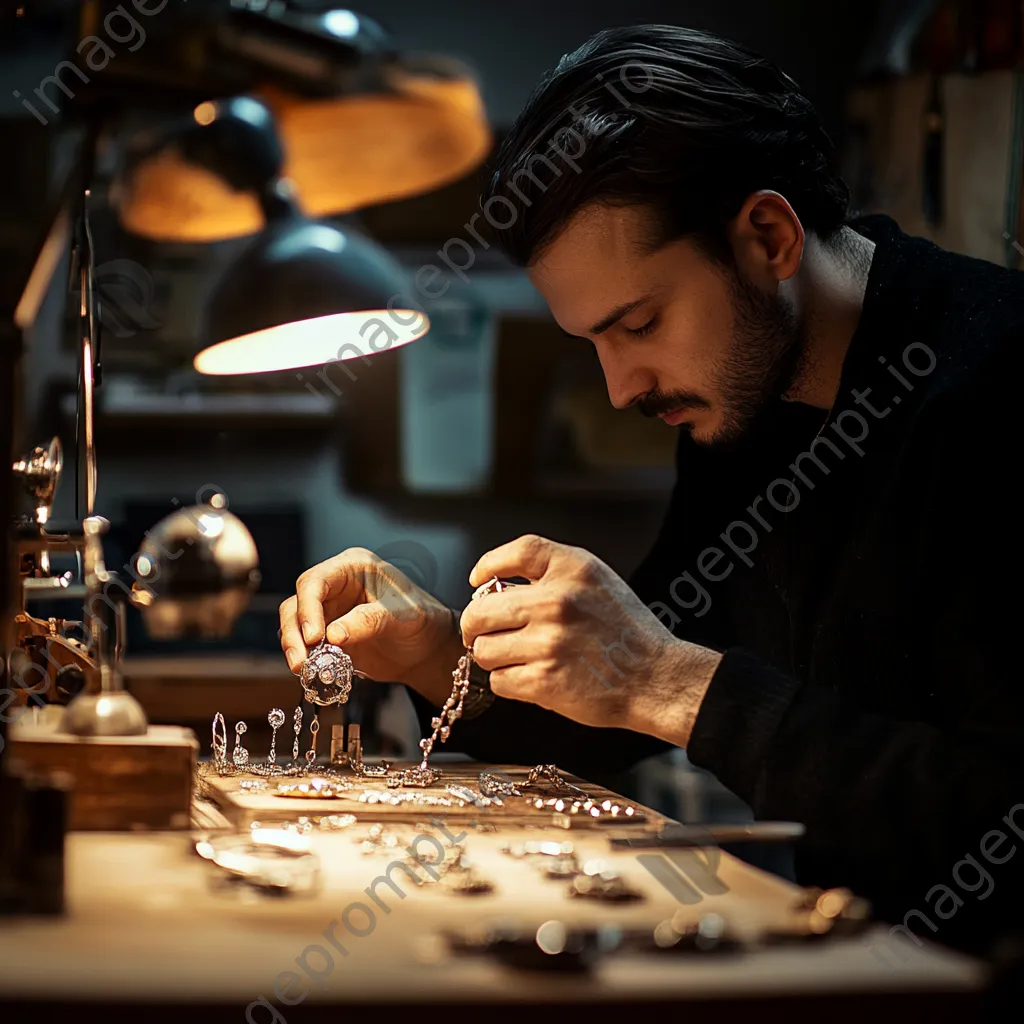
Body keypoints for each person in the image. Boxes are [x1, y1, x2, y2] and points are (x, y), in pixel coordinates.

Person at [280, 25, 1024, 953]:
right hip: (865, 967)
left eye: (638, 323)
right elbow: (615, 705)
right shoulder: (742, 412)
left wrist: (668, 681)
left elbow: (1000, 813)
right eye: (593, 342)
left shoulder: (996, 391)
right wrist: (441, 653)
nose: (622, 389)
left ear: (768, 236)